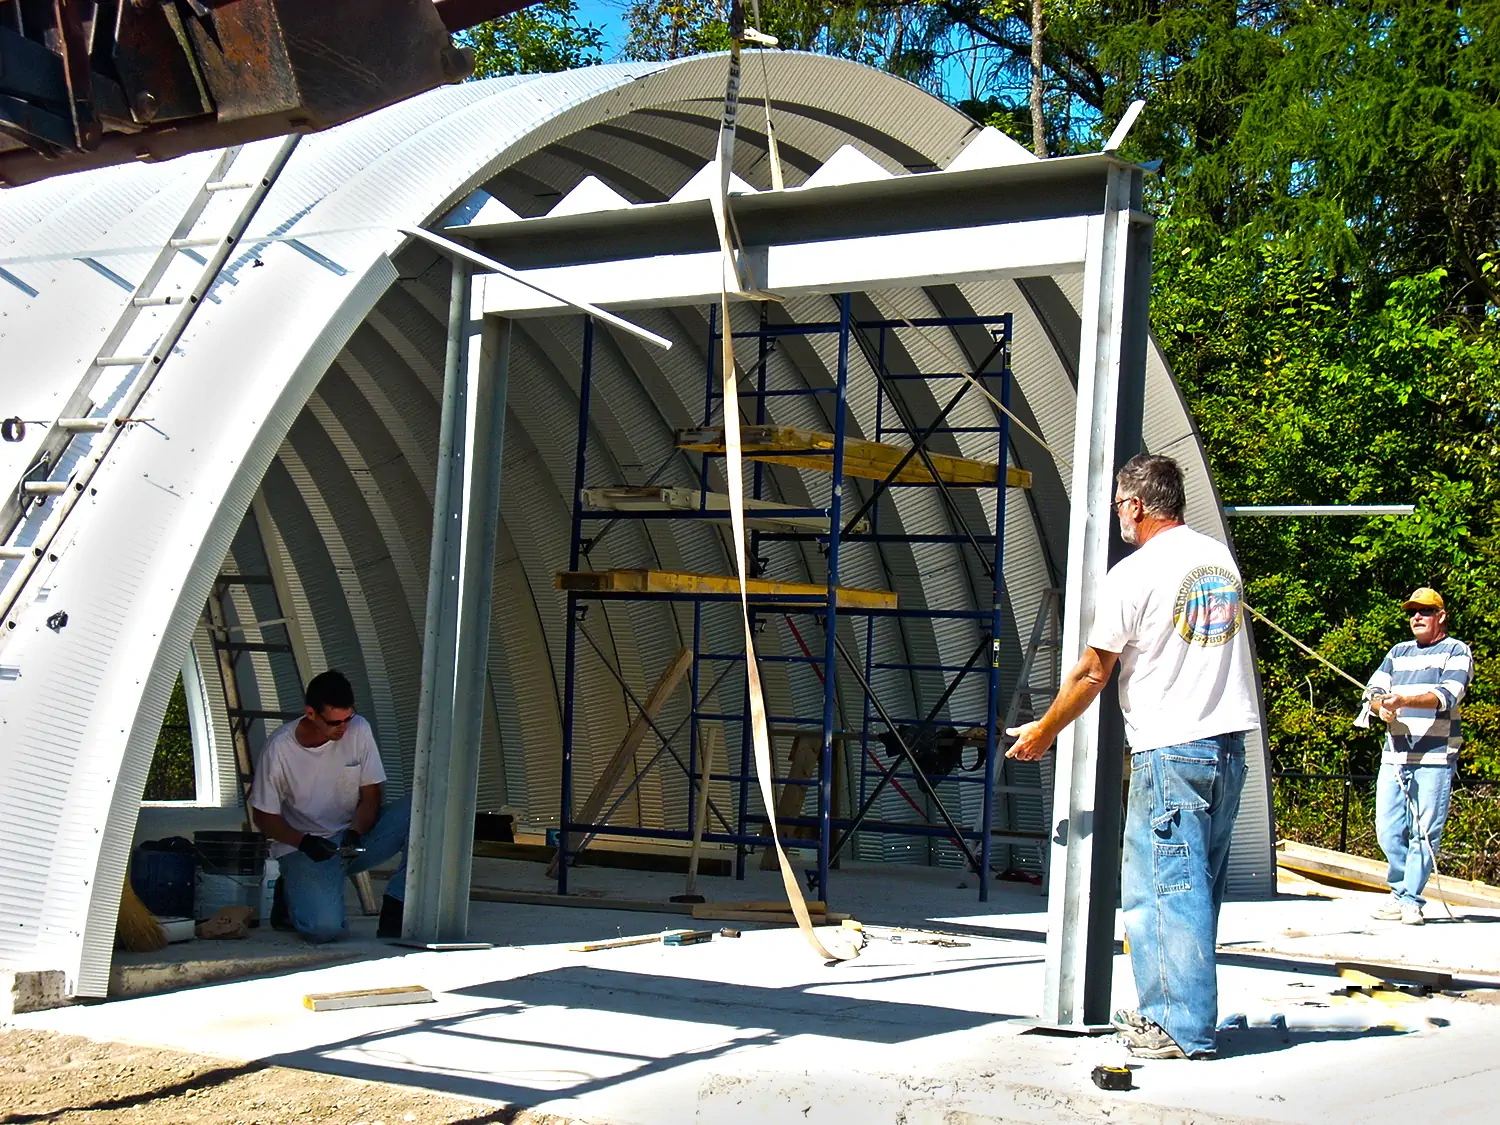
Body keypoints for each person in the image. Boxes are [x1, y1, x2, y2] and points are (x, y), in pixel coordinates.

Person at [1006, 453, 1260, 1059]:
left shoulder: (1135, 573)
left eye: (1121, 503)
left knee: (1162, 890)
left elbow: (1094, 672)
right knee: (1198, 891)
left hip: (1172, 750)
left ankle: (1178, 1026)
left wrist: (1044, 731)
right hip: (1227, 747)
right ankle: (1186, 1010)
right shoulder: (1216, 560)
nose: (1119, 513)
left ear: (1137, 505)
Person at [249, 670, 410, 942]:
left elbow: (372, 797)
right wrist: (304, 842)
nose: (343, 728)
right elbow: (264, 818)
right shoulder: (279, 750)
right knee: (324, 930)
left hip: (352, 838)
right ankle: (290, 893)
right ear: (310, 713)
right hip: (306, 848)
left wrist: (356, 830)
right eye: (335, 722)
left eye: (348, 718)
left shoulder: (359, 729)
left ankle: (399, 902)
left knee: (425, 809)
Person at [1362, 588, 1471, 926]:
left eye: (1424, 611)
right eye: (1412, 612)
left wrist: (1402, 702)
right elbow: (1372, 694)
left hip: (1436, 757)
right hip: (1395, 755)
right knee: (1387, 829)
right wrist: (1382, 708)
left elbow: (1448, 695)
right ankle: (1398, 891)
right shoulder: (1397, 653)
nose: (1417, 618)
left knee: (1424, 832)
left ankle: (1410, 899)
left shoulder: (1456, 651)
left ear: (1441, 616)